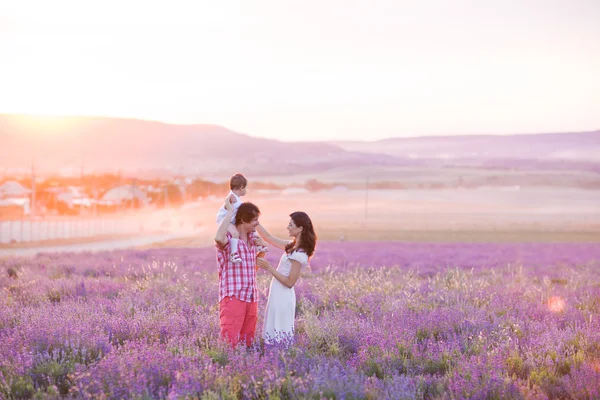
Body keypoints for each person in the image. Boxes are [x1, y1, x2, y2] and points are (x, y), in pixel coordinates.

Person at [256, 211, 317, 345]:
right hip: (276, 293)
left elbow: (290, 282)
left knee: (279, 332)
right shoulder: (292, 246)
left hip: (283, 296)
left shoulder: (300, 254)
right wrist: (256, 222)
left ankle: (281, 360)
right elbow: (269, 238)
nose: (287, 227)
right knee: (273, 329)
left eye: (291, 225)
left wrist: (269, 268)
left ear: (300, 228)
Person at [214, 200, 262, 347]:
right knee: (230, 343)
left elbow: (253, 269)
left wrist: (263, 250)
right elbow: (218, 238)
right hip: (234, 296)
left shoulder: (253, 241)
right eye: (254, 220)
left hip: (251, 297)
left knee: (248, 343)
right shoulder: (230, 240)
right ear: (243, 220)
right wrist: (229, 213)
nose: (257, 224)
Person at [216, 173, 267, 263]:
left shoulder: (236, 198)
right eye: (245, 188)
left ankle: (258, 246)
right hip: (225, 220)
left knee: (252, 230)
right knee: (235, 234)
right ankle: (233, 254)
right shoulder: (232, 197)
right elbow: (227, 205)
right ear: (241, 187)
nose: (246, 190)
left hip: (230, 220)